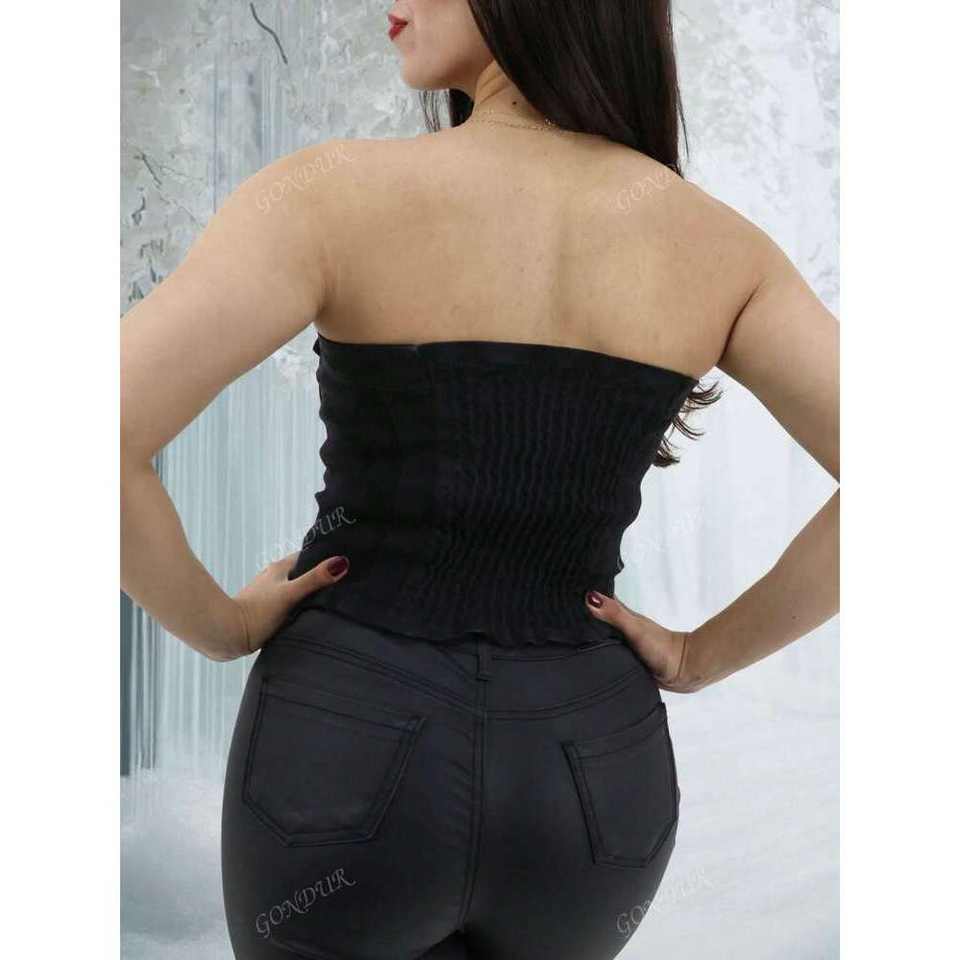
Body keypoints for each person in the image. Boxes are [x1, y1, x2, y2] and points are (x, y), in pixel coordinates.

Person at [119, 2, 838, 957]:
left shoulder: (327, 195)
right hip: (591, 776)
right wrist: (700, 655)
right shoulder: (722, 248)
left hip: (344, 743)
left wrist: (221, 625)